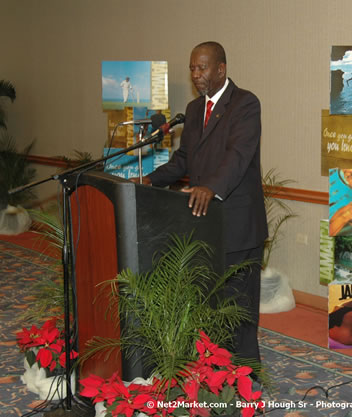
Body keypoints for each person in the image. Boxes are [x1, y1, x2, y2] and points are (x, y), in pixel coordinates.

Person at [139, 41, 268, 365]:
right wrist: (150, 181)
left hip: (238, 224)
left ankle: (246, 376)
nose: (196, 75)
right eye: (193, 68)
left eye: (202, 68)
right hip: (203, 222)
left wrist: (210, 187)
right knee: (209, 302)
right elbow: (184, 159)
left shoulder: (245, 104)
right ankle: (213, 370)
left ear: (221, 69)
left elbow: (238, 156)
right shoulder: (195, 110)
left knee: (238, 306)